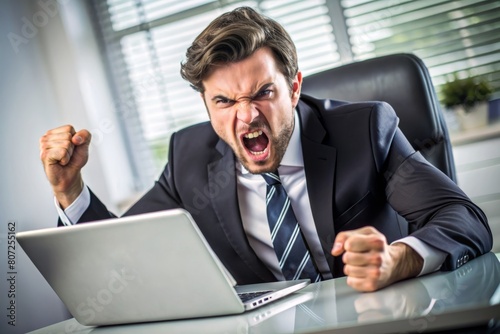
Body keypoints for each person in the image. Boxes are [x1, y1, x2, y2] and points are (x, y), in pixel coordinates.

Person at [39, 7, 492, 292]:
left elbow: (464, 219)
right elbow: (121, 255)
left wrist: (399, 259)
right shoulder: (188, 157)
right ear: (206, 106)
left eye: (263, 93)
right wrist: (70, 190)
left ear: (293, 88)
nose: (247, 117)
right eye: (223, 101)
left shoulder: (365, 129)